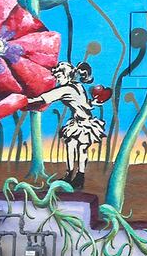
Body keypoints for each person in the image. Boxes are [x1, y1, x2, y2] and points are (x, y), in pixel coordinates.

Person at [26, 61, 110, 191]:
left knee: (79, 148)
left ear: (65, 75)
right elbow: (84, 104)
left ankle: (78, 176)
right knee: (73, 147)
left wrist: (24, 101)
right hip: (79, 121)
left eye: (59, 77)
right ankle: (72, 175)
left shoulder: (65, 89)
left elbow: (44, 98)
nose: (58, 80)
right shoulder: (78, 86)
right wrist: (92, 103)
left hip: (84, 123)